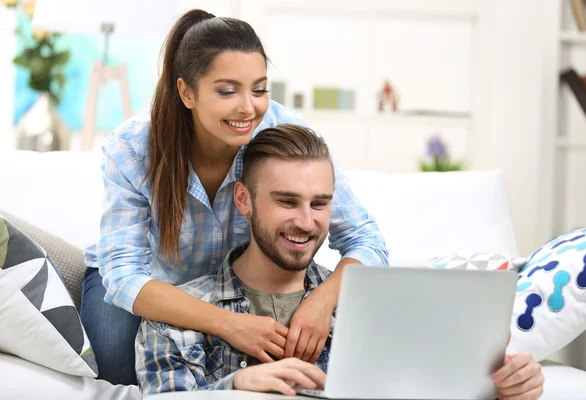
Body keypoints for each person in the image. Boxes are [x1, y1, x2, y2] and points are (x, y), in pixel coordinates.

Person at [80, 9, 388, 385]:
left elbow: (366, 240)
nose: (248, 107)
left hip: (233, 285)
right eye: (228, 91)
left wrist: (321, 302)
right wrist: (230, 325)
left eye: (259, 89)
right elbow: (124, 276)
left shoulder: (283, 133)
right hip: (151, 281)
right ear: (186, 92)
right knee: (116, 361)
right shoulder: (133, 148)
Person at [135, 125, 545, 399]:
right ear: (243, 200)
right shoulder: (174, 316)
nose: (306, 222)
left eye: (320, 204)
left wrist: (505, 389)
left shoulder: (377, 309)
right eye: (286, 201)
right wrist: (238, 387)